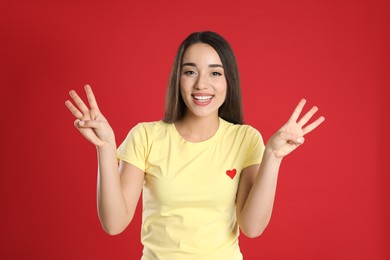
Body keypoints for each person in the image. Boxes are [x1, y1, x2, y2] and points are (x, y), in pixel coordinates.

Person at [65, 31, 325, 260]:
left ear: (228, 81)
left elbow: (252, 227)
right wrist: (106, 148)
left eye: (215, 73)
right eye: (190, 72)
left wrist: (273, 157)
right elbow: (114, 224)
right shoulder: (145, 136)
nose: (202, 84)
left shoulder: (246, 139)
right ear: (178, 80)